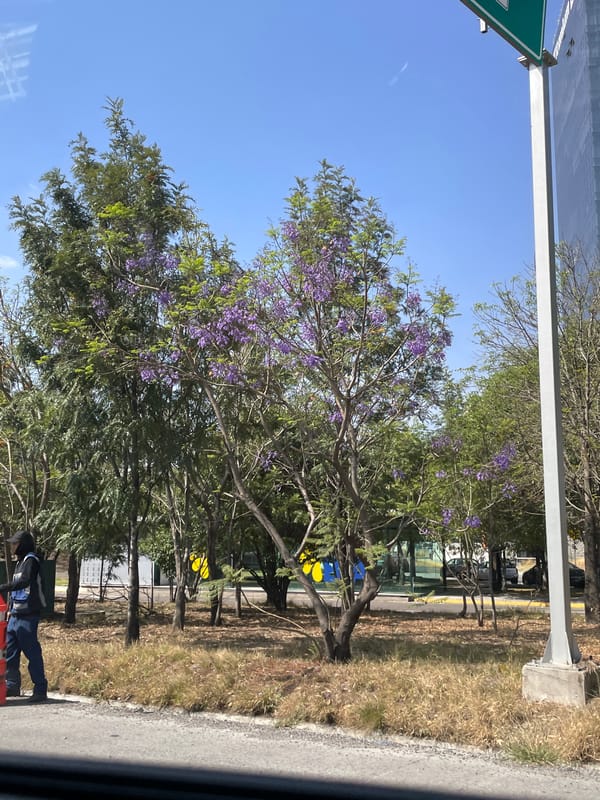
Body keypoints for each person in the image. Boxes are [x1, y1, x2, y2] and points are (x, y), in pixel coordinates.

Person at [0, 530, 48, 702]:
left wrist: (3, 587)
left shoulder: (31, 561)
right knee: (11, 653)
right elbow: (17, 590)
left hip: (28, 615)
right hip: (15, 615)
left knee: (32, 652)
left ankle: (40, 689)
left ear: (23, 544)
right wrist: (10, 610)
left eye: (15, 543)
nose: (12, 546)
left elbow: (24, 582)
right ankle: (12, 686)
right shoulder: (19, 563)